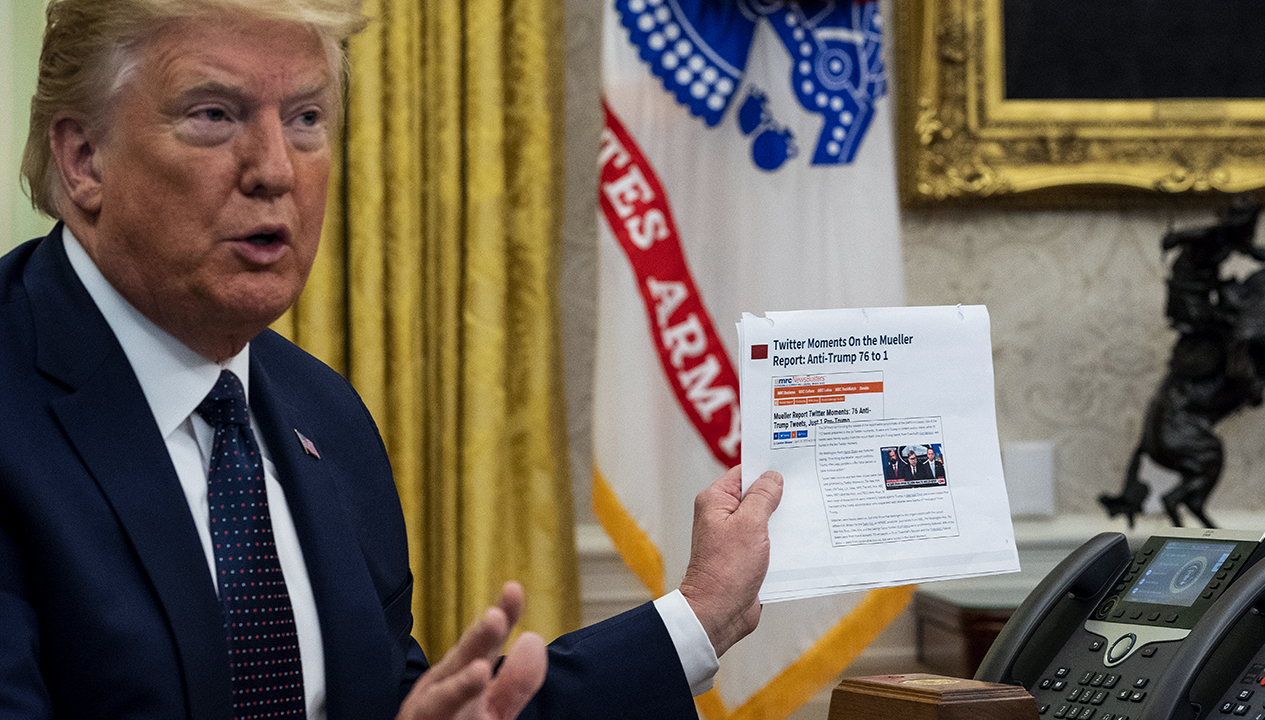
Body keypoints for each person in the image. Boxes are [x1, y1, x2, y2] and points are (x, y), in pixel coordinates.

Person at [0, 1, 784, 719]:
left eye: (306, 118)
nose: (275, 168)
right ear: (83, 158)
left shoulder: (323, 415)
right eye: (214, 114)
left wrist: (700, 611)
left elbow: (395, 705)